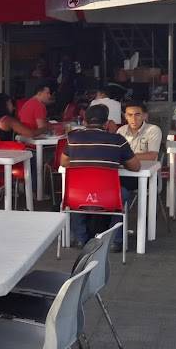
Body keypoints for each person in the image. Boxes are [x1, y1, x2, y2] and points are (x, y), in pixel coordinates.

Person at [62, 104, 141, 245]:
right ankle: (115, 240)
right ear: (106, 123)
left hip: (79, 194)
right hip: (108, 196)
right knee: (123, 193)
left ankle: (80, 237)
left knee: (74, 195)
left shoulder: (72, 138)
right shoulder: (118, 140)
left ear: (84, 122)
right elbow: (135, 167)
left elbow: (63, 162)